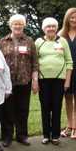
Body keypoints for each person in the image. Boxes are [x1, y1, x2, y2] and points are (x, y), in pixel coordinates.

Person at [0, 14, 38, 147]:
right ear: (10, 25)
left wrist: (35, 80)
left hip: (24, 81)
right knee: (7, 111)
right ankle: (7, 137)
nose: (17, 26)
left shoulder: (29, 41)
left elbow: (35, 63)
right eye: (15, 23)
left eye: (20, 24)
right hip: (7, 83)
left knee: (22, 110)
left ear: (24, 25)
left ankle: (22, 136)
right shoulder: (3, 41)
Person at [35, 17, 73, 145]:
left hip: (59, 80)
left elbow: (69, 62)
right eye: (48, 26)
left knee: (57, 107)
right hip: (43, 80)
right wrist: (35, 81)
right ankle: (46, 135)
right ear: (43, 29)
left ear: (56, 28)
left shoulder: (63, 41)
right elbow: (34, 63)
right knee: (45, 108)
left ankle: (55, 135)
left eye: (53, 26)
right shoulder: (38, 42)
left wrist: (67, 82)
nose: (51, 28)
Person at [59, 8, 76, 139]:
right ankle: (69, 126)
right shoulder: (61, 35)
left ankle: (75, 127)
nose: (74, 20)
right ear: (67, 19)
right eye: (72, 17)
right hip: (67, 72)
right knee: (68, 99)